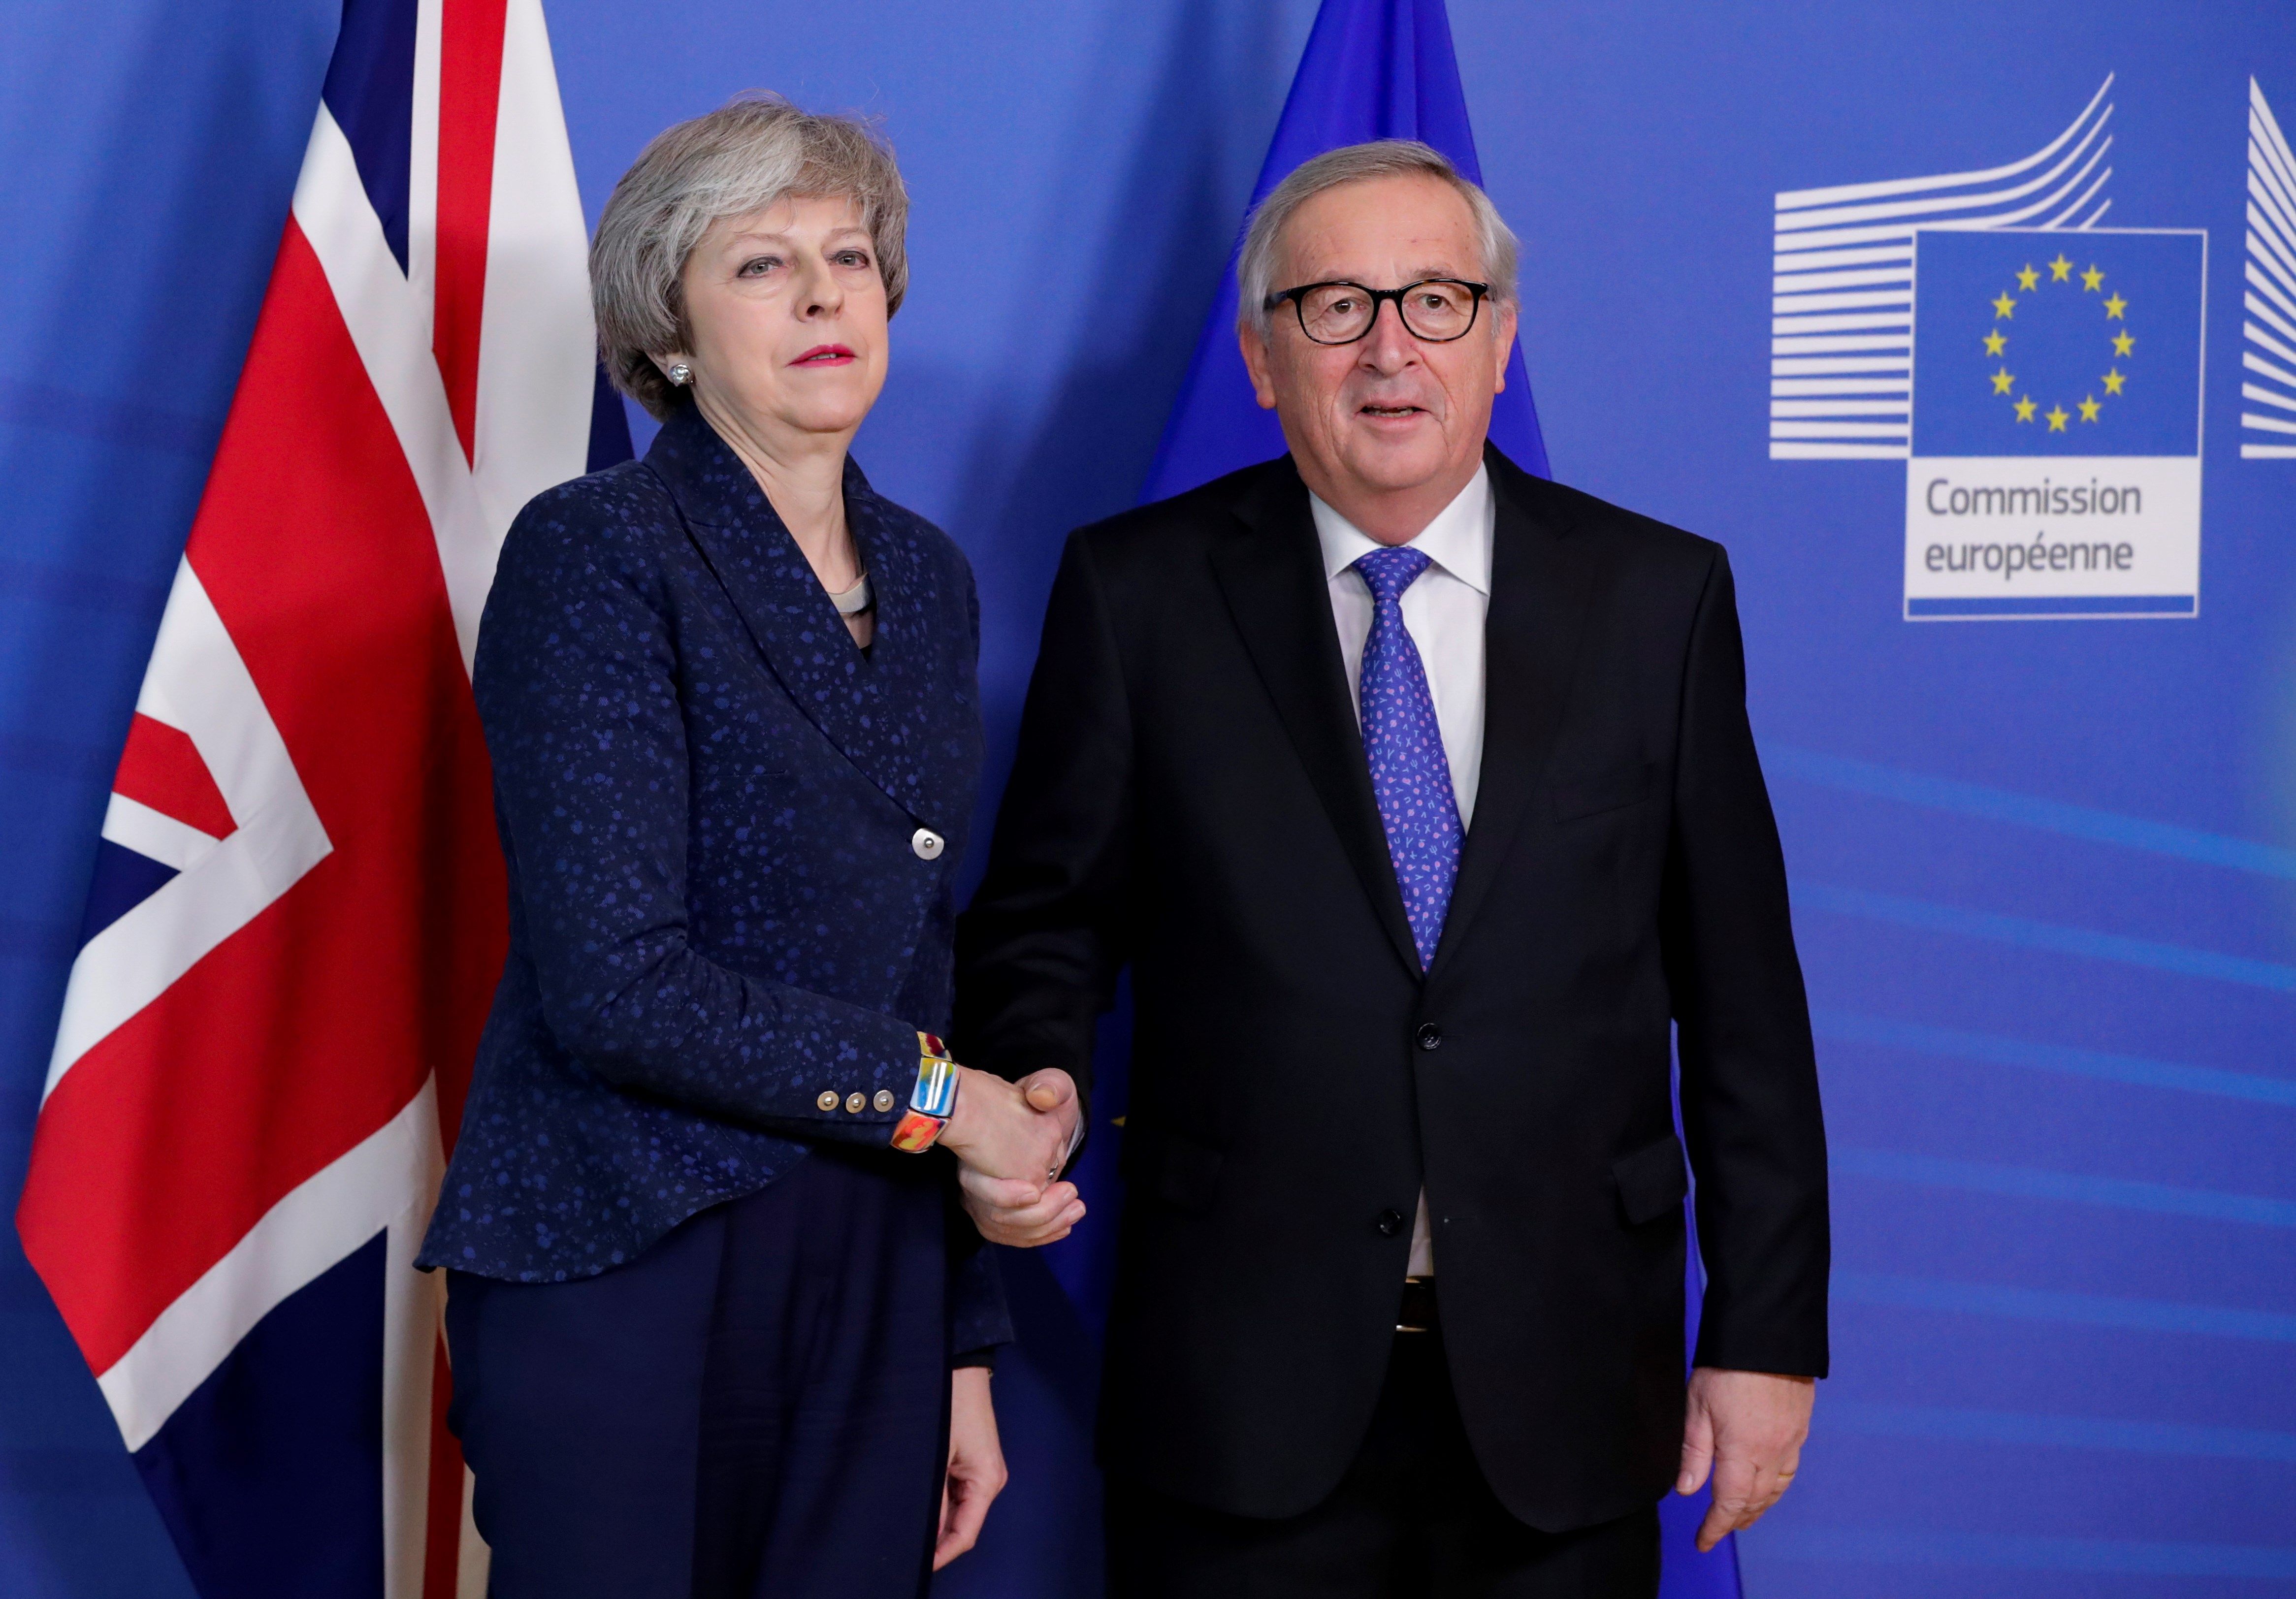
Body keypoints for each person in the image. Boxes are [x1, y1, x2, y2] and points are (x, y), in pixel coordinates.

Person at [954, 140, 1830, 1599]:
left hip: (1566, 1390)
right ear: (1260, 356)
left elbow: (1746, 1005)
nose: (1389, 350)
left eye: (1436, 301)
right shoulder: (1139, 591)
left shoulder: (1658, 601)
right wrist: (1033, 1071)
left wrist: (1765, 1335)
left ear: (1499, 343)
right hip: (1239, 1393)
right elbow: (1045, 922)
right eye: (1335, 306)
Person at [417, 96, 1083, 1599]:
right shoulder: (597, 553)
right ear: (667, 331)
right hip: (626, 1243)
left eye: (849, 256)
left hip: (876, 1260)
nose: (827, 292)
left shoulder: (928, 577)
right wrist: (949, 1105)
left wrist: (962, 1342)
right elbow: (621, 988)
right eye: (763, 265)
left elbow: (927, 957)